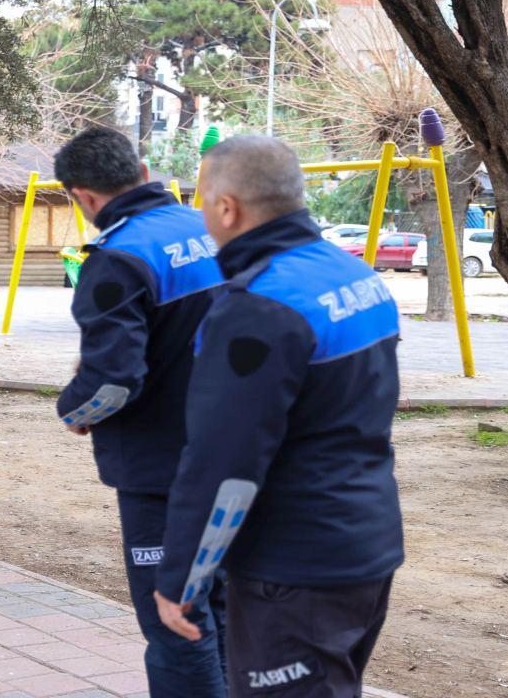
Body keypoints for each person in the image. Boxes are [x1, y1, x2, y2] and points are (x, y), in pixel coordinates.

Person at [154, 135, 404, 697]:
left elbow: (223, 462)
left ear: (226, 207)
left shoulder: (257, 308)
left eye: (201, 200)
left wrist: (181, 577)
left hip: (294, 568)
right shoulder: (355, 276)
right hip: (366, 543)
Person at [53, 127, 227, 698]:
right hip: (243, 456)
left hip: (164, 473)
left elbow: (115, 380)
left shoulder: (117, 258)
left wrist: (76, 410)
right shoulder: (213, 230)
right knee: (228, 608)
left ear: (84, 197)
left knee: (177, 619)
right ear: (144, 172)